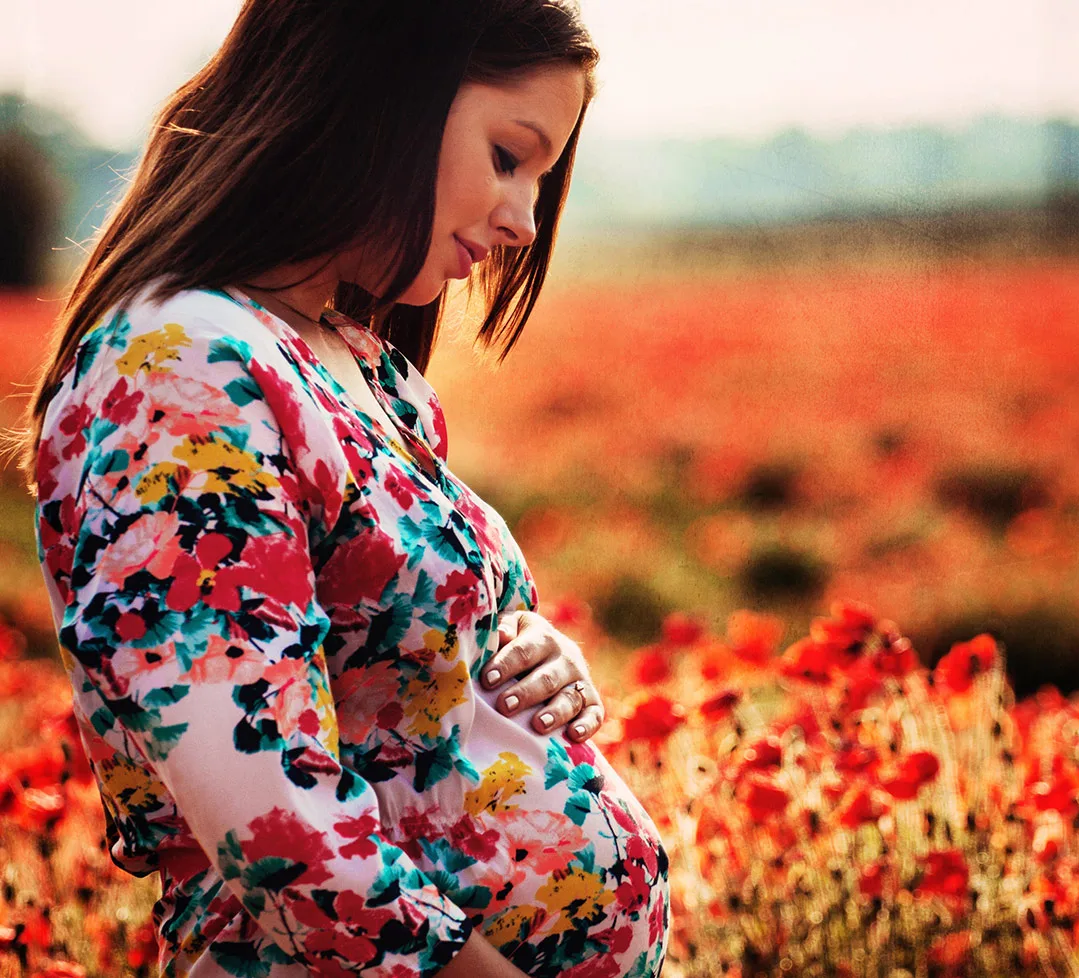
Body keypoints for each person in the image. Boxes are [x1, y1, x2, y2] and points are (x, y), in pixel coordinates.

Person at [17, 2, 670, 977]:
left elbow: (382, 674)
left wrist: (514, 650)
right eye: (507, 156)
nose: (523, 221)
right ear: (380, 93)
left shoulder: (346, 359)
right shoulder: (177, 365)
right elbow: (271, 816)